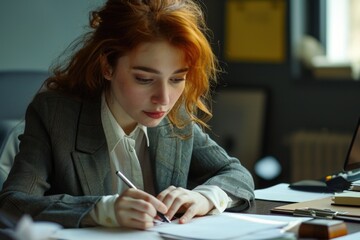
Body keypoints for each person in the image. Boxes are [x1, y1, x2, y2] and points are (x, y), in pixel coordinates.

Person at [0, 0, 254, 230]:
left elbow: (236, 174)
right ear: (107, 67)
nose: (164, 99)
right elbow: (14, 204)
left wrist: (204, 196)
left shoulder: (175, 116)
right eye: (144, 79)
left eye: (177, 78)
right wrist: (103, 209)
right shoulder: (54, 116)